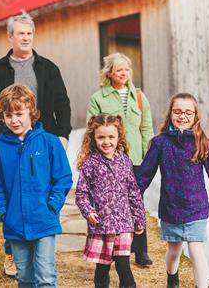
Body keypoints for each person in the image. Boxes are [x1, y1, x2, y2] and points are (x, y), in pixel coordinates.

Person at [0, 10, 72, 276]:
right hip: (7, 141)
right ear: (10, 36)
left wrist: (63, 133)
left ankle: (40, 249)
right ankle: (13, 252)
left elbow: (62, 102)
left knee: (38, 187)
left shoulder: (47, 68)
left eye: (30, 33)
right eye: (20, 33)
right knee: (12, 190)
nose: (26, 38)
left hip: (43, 138)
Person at [136, 93, 209, 288]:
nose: (183, 116)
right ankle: (172, 280)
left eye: (188, 112)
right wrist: (129, 199)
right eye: (178, 111)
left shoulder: (203, 143)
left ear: (195, 115)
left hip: (196, 207)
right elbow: (144, 175)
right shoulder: (160, 143)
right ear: (170, 114)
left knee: (196, 251)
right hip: (170, 208)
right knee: (174, 251)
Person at [0, 85, 73, 287]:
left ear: (31, 112)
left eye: (19, 113)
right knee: (24, 276)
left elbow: (63, 178)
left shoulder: (50, 142)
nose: (14, 120)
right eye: (8, 115)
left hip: (44, 219)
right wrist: (3, 212)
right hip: (14, 223)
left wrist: (52, 205)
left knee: (45, 275)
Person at [86, 52, 154, 266]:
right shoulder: (98, 98)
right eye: (119, 69)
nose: (124, 73)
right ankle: (113, 249)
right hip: (109, 160)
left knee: (135, 202)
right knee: (111, 204)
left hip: (135, 160)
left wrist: (147, 158)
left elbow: (146, 128)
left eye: (126, 69)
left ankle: (141, 250)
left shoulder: (139, 97)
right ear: (110, 73)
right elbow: (91, 129)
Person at [75, 114, 146, 288]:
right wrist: (88, 211)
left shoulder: (124, 161)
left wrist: (139, 219)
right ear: (93, 138)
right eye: (101, 137)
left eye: (111, 137)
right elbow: (81, 193)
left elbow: (133, 192)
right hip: (101, 225)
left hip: (123, 223)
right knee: (103, 266)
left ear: (118, 137)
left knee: (123, 265)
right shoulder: (90, 164)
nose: (106, 141)